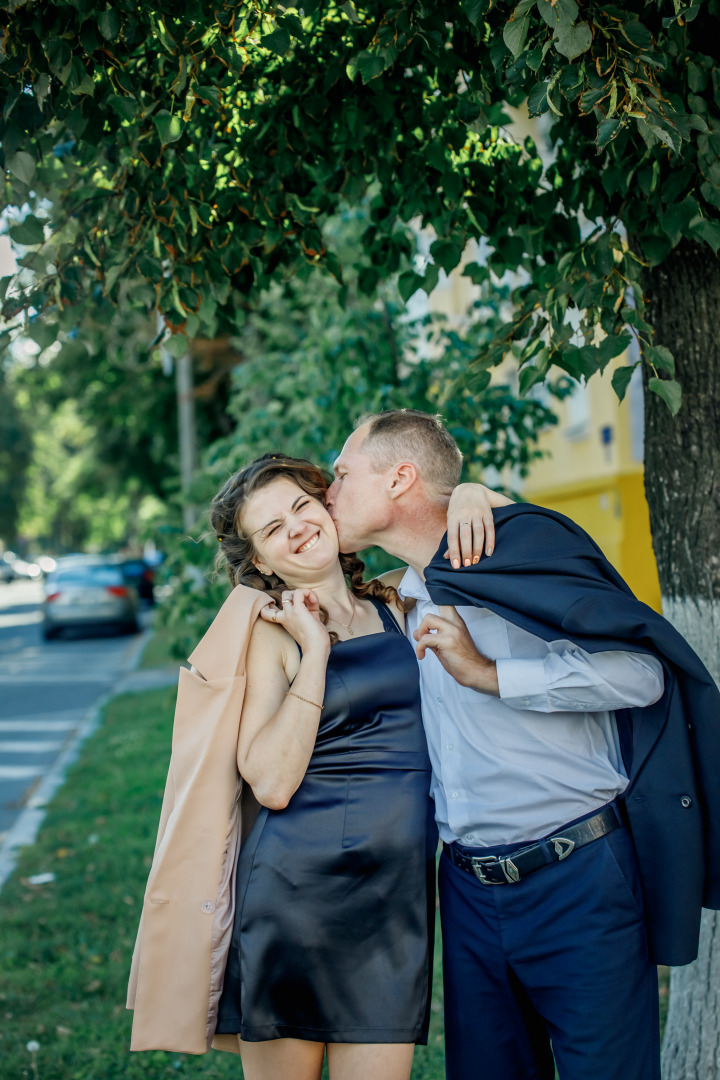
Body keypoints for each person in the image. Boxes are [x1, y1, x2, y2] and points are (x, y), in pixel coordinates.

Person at [325, 409, 720, 1080]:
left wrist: (490, 674)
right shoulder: (399, 596)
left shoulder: (520, 550)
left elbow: (641, 673)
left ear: (400, 478)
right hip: (470, 893)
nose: (328, 491)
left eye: (339, 474)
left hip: (578, 876)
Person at [127, 451, 502, 1079]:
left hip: (394, 903)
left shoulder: (398, 607)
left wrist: (470, 491)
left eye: (301, 506)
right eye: (273, 529)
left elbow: (466, 538)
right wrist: (314, 651)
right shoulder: (270, 632)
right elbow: (270, 782)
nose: (297, 527)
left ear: (326, 506)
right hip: (294, 902)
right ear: (259, 563)